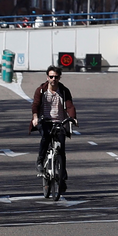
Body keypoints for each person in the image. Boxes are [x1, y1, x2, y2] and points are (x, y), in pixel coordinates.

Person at [30, 65, 78, 193]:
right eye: (51, 77)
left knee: (61, 148)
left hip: (60, 122)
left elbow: (69, 106)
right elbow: (35, 105)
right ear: (47, 77)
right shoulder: (41, 90)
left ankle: (61, 176)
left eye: (56, 77)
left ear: (59, 77)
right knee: (46, 136)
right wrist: (35, 117)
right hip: (44, 121)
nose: (53, 79)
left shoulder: (63, 91)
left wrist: (73, 118)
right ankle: (40, 162)